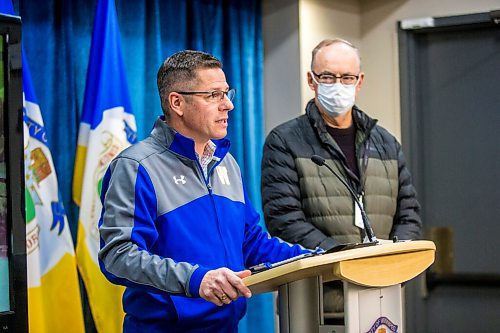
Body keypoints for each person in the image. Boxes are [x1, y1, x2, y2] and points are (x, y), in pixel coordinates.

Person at [98, 50, 310, 333]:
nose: (228, 106)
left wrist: (317, 258)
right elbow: (118, 256)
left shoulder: (227, 163)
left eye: (226, 93)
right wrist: (196, 280)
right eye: (213, 95)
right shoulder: (136, 166)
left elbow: (252, 244)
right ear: (177, 103)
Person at [261, 38, 422, 315]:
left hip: (382, 295)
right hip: (315, 300)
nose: (338, 85)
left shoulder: (386, 143)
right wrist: (347, 261)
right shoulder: (285, 141)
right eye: (328, 76)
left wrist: (391, 266)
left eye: (347, 77)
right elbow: (285, 221)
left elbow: (408, 215)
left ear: (359, 81)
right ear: (312, 81)